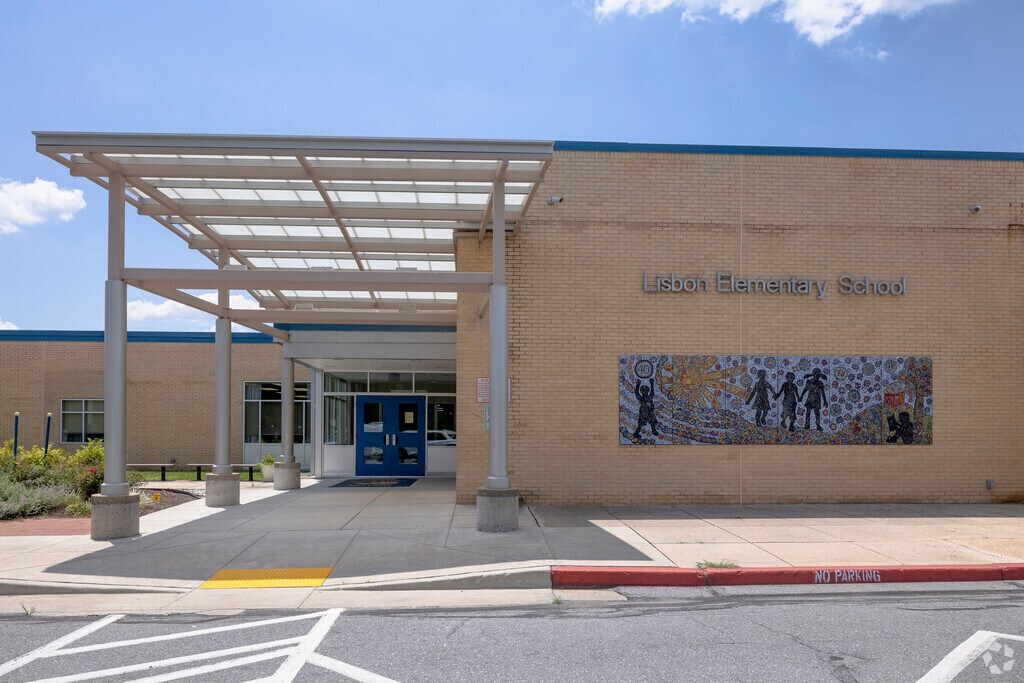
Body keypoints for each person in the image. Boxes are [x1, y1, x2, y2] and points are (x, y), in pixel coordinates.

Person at [799, 367, 828, 431]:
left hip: (817, 400)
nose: (816, 376)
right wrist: (801, 397)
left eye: (818, 374)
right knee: (808, 413)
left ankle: (818, 425)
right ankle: (807, 425)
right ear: (813, 374)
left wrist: (825, 401)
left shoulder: (820, 383)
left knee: (817, 414)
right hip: (810, 399)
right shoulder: (809, 382)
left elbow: (823, 393)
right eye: (815, 374)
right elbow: (805, 390)